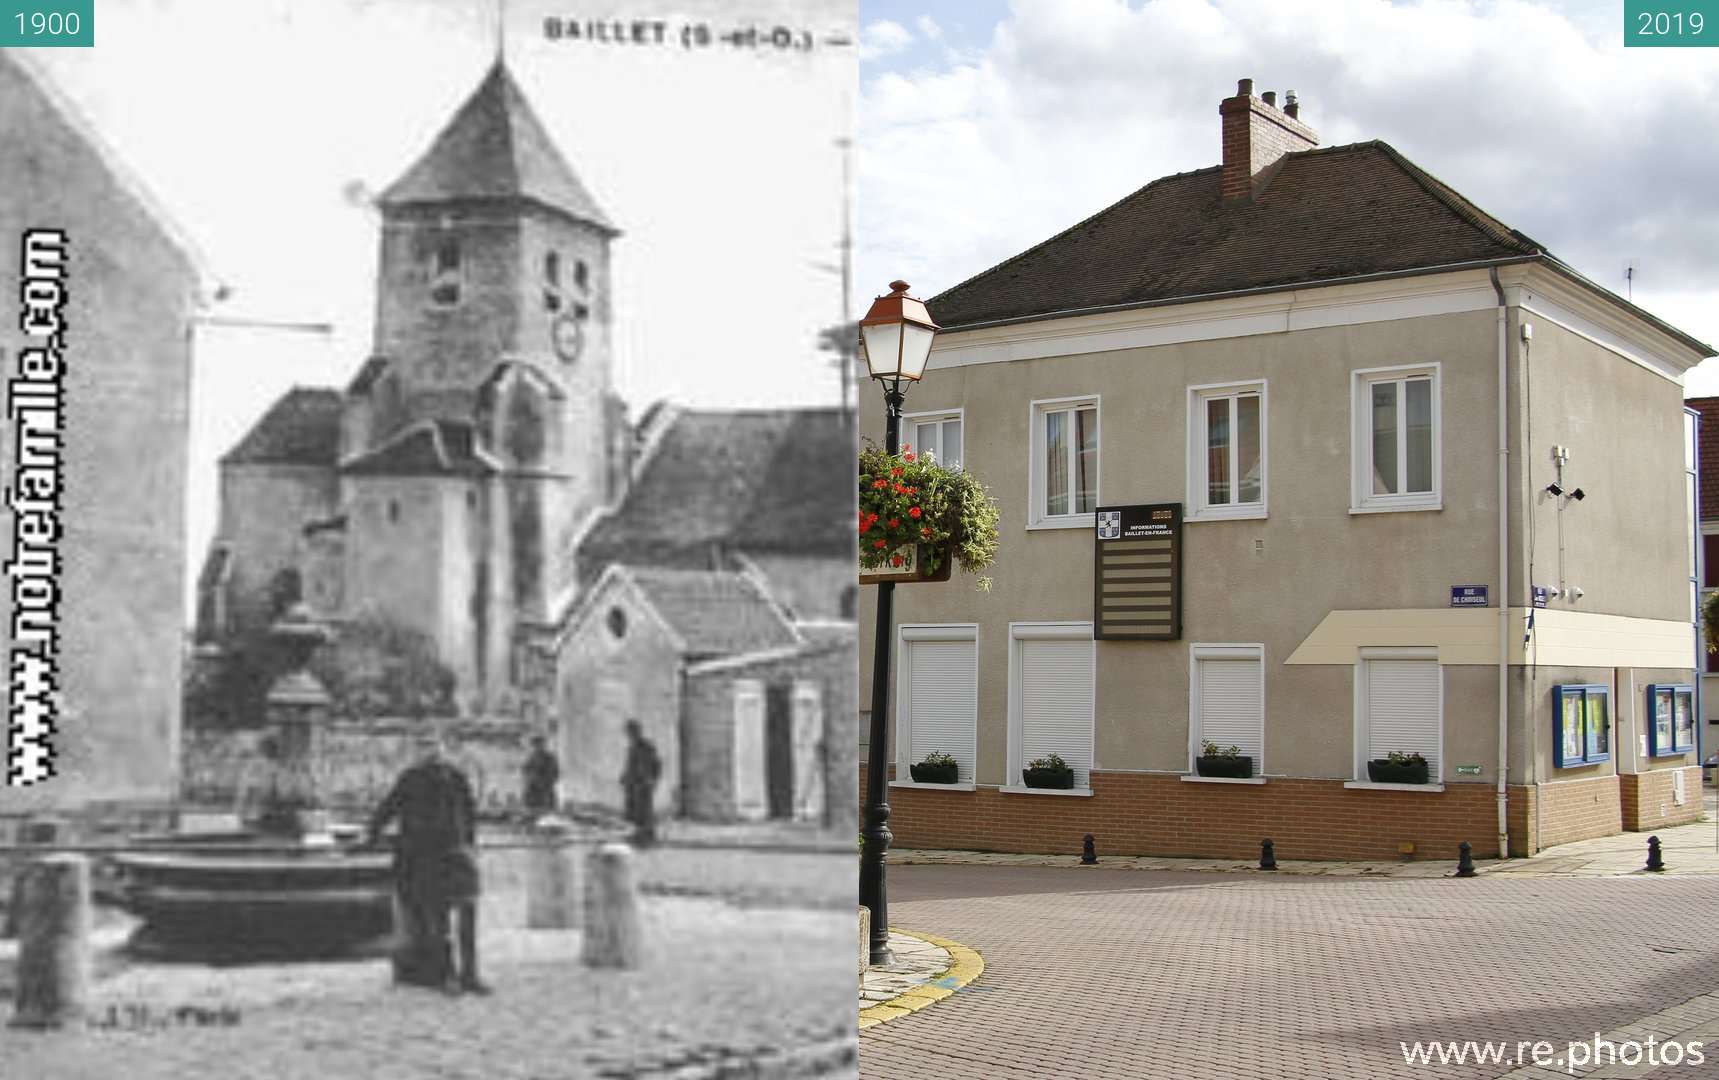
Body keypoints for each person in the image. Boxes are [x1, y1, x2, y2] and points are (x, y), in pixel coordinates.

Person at [367, 728, 490, 995]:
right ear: (417, 751)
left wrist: (470, 845)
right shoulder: (411, 778)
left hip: (453, 856)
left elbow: (469, 815)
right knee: (439, 923)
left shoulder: (455, 776)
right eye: (423, 746)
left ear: (441, 748)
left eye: (433, 745)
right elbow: (388, 808)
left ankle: (469, 974)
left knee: (464, 919)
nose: (430, 751)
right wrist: (373, 833)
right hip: (427, 859)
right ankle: (447, 976)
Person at [620, 719, 661, 847]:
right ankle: (639, 835)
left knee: (644, 811)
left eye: (631, 732)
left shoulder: (646, 746)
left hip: (643, 784)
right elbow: (630, 766)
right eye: (629, 733)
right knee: (636, 811)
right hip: (634, 784)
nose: (629, 735)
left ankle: (647, 836)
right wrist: (624, 777)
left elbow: (656, 764)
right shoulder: (633, 747)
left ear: (637, 732)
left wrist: (653, 779)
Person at [521, 734, 560, 821]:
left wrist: (543, 782)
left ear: (543, 745)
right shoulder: (531, 758)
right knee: (530, 815)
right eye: (535, 745)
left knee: (547, 817)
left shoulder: (550, 758)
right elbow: (525, 772)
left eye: (539, 744)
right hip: (532, 792)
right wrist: (530, 779)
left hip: (545, 793)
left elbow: (554, 774)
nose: (537, 747)